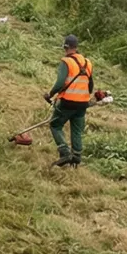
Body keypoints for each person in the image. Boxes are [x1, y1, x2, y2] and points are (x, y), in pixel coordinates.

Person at [44, 34, 94, 167]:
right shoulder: (87, 63)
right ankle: (76, 156)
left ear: (65, 47)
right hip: (83, 103)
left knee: (55, 125)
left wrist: (50, 94)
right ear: (76, 47)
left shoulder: (66, 62)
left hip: (67, 101)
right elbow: (90, 86)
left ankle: (65, 152)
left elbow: (60, 83)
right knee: (77, 129)